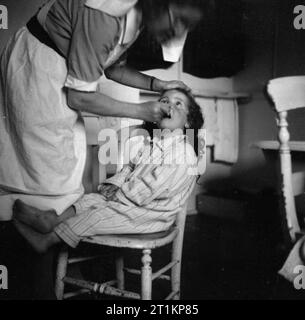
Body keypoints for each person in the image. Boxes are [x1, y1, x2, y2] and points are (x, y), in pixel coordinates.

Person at [0, 0, 203, 221]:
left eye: (187, 26)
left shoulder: (136, 17)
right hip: (39, 68)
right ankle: (33, 230)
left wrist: (157, 85)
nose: (179, 32)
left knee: (60, 165)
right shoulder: (105, 15)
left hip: (133, 206)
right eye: (179, 20)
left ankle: (43, 226)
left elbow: (113, 67)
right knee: (43, 167)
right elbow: (79, 97)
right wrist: (140, 111)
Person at [12, 88, 204, 253]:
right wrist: (115, 186)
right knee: (90, 199)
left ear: (188, 122)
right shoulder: (153, 144)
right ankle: (52, 219)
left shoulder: (183, 153)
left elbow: (152, 188)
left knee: (98, 215)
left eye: (178, 104)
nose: (169, 105)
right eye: (164, 101)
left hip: (151, 214)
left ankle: (47, 241)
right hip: (132, 201)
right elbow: (130, 169)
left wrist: (120, 196)